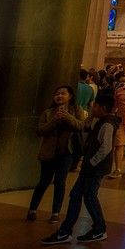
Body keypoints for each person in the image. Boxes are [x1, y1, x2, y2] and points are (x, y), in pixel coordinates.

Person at [41, 89, 118, 246]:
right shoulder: (98, 120)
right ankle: (71, 230)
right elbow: (83, 126)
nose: (92, 108)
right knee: (78, 195)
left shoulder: (107, 124)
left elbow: (106, 147)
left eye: (94, 106)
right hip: (91, 167)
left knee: (87, 196)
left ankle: (95, 229)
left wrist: (91, 162)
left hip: (95, 168)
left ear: (102, 108)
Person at [26, 86, 83, 224]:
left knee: (60, 182)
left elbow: (80, 126)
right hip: (49, 152)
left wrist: (67, 117)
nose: (59, 96)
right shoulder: (48, 113)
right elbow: (40, 130)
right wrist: (54, 120)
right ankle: (32, 209)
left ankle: (55, 212)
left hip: (66, 153)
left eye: (63, 93)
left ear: (70, 96)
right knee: (43, 182)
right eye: (57, 94)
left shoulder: (76, 111)